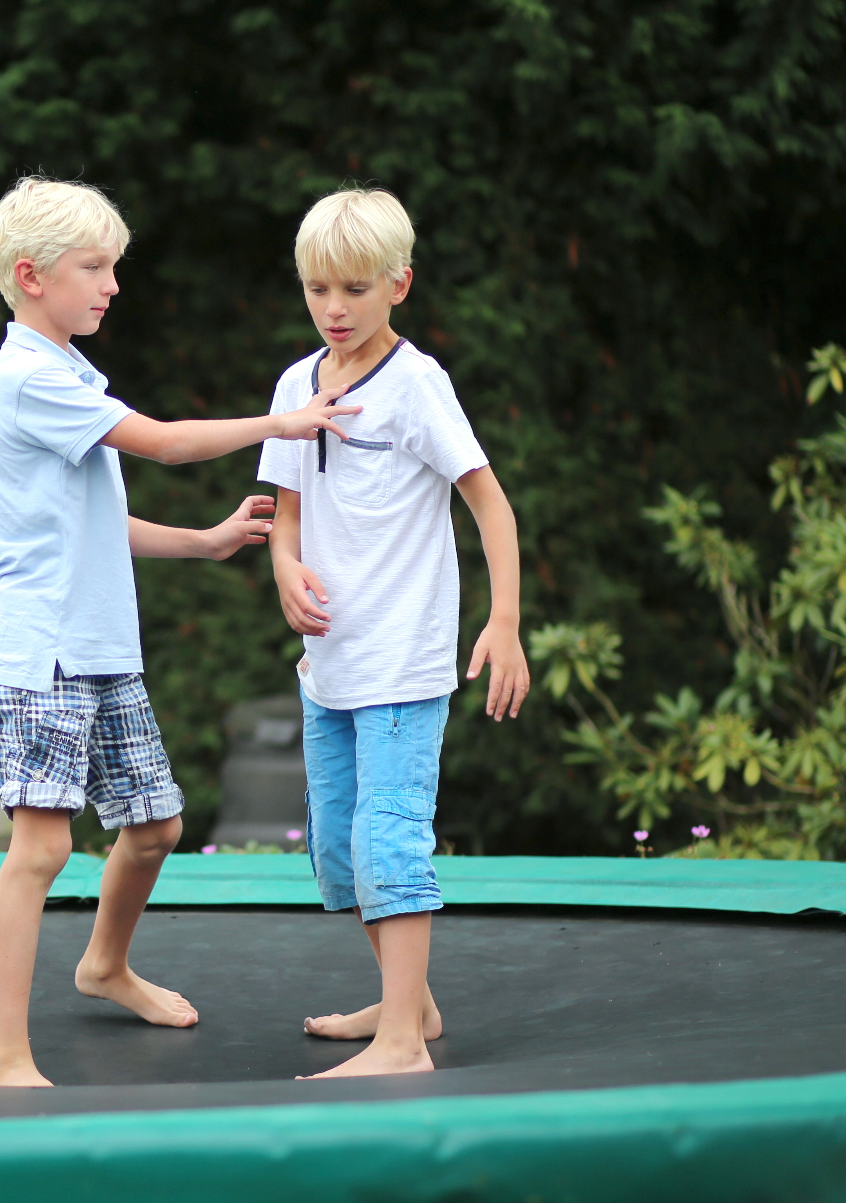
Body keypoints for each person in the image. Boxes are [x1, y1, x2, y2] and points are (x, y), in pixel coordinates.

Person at [0, 176, 360, 1088]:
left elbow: (97, 520)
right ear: (32, 276)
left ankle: (103, 965)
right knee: (43, 845)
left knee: (153, 825)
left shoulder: (68, 371)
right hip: (39, 654)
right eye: (94, 268)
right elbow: (167, 442)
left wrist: (205, 540)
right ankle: (5, 1057)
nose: (111, 285)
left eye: (114, 266)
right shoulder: (28, 376)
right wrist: (285, 421)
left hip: (99, 649)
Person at [256, 187, 531, 1079]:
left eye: (353, 290)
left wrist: (505, 619)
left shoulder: (416, 385)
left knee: (389, 837)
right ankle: (411, 1000)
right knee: (338, 847)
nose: (334, 309)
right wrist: (284, 568)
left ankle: (403, 1043)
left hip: (403, 661)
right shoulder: (296, 384)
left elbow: (489, 502)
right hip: (329, 661)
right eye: (317, 290)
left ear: (398, 285)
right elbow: (286, 512)